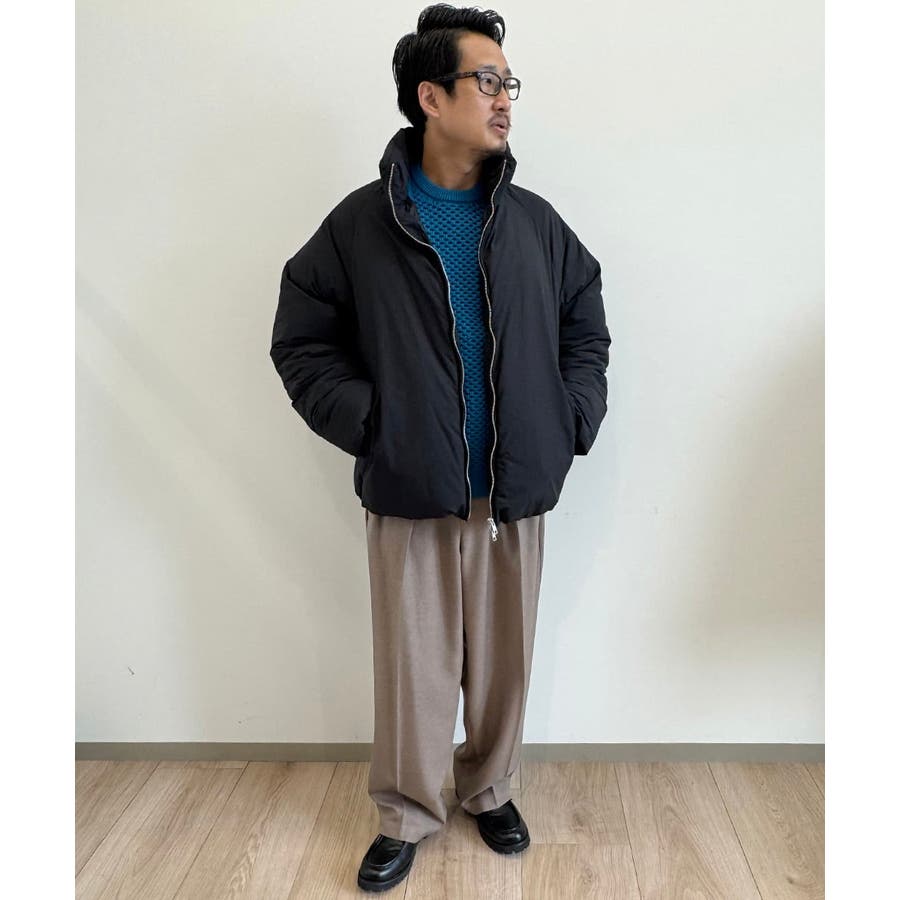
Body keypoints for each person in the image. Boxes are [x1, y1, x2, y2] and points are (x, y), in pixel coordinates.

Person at [269, 3, 611, 892]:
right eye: (486, 80)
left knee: (502, 666)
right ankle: (407, 815)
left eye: (509, 82)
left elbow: (585, 322)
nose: (504, 99)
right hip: (411, 483)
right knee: (414, 671)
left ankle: (491, 791)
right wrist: (371, 424)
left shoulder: (535, 224)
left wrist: (570, 417)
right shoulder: (360, 226)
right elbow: (301, 338)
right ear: (430, 96)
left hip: (513, 485)